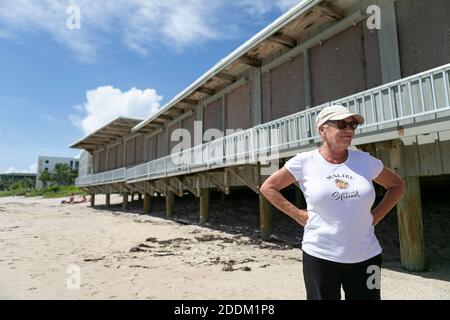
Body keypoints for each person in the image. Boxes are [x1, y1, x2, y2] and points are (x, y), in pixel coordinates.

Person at [260, 104, 406, 300]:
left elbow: (397, 185)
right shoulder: (304, 162)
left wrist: (377, 215)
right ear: (322, 130)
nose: (349, 129)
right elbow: (268, 187)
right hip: (320, 256)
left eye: (352, 125)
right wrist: (298, 215)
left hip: (367, 256)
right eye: (341, 124)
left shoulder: (365, 161)